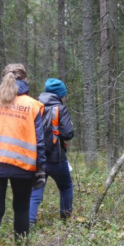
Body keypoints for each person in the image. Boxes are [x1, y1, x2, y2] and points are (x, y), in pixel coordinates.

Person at [0, 63, 46, 246]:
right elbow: (39, 141)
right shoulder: (32, 105)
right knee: (21, 208)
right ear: (25, 80)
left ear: (3, 78)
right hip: (23, 166)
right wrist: (40, 169)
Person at [29, 78, 75, 225]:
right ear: (60, 95)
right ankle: (65, 221)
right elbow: (68, 133)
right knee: (66, 187)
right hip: (56, 159)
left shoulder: (34, 106)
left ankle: (29, 225)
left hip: (37, 158)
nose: (65, 97)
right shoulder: (60, 108)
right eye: (64, 94)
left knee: (35, 193)